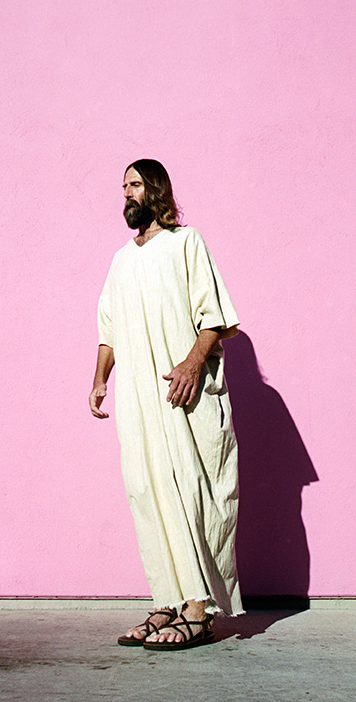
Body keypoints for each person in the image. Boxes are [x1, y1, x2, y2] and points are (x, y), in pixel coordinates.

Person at [89, 159, 242, 650]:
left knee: (190, 491)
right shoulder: (120, 260)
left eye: (134, 184)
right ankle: (168, 601)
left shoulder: (186, 243)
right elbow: (109, 329)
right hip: (138, 400)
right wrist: (100, 380)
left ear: (155, 189)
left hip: (182, 396)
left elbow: (214, 316)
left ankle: (198, 610)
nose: (126, 194)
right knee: (147, 492)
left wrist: (193, 364)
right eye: (123, 187)